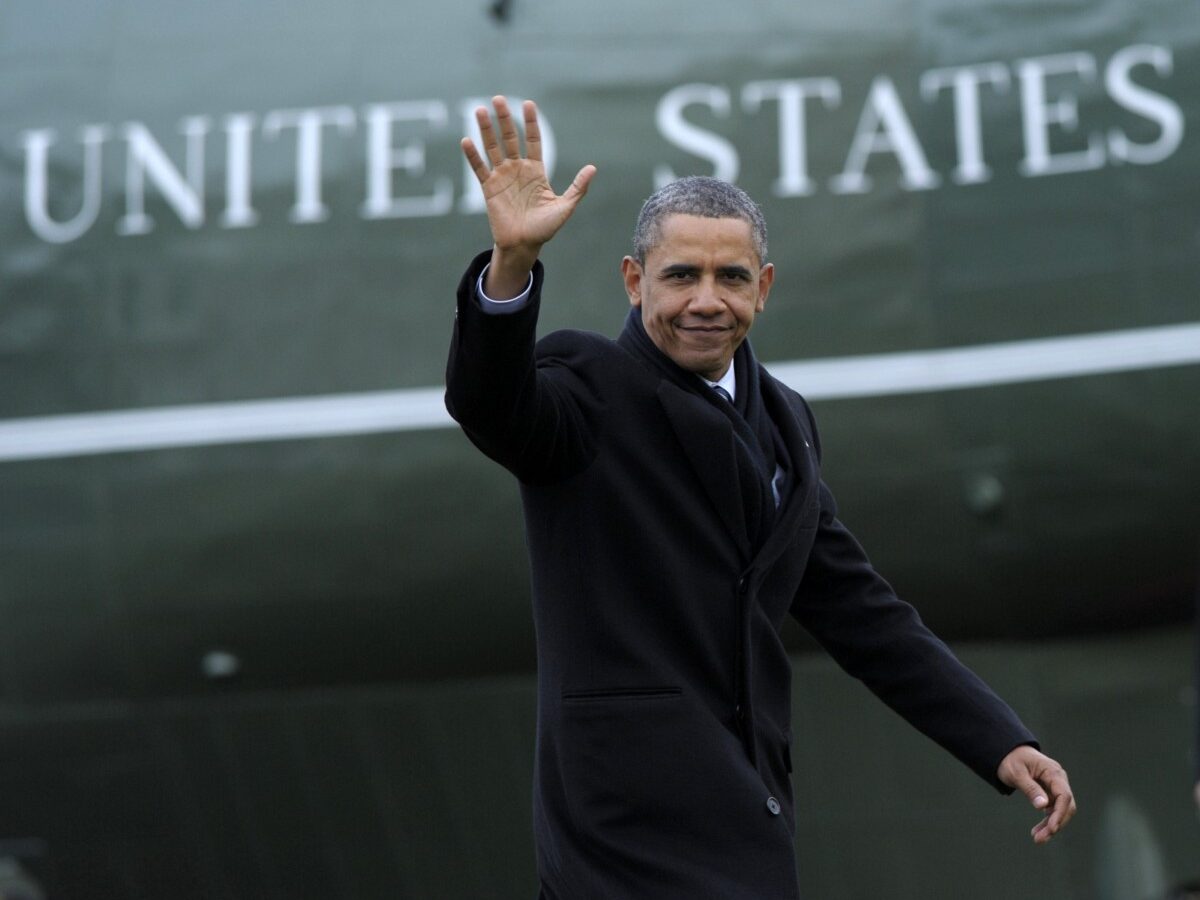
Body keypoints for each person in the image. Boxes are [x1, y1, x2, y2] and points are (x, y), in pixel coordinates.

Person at [445, 95, 1076, 899]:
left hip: (749, 800)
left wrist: (997, 739)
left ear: (764, 287)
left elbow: (861, 611)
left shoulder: (785, 419)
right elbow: (490, 405)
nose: (706, 300)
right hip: (619, 825)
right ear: (635, 280)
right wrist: (511, 270)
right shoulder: (588, 387)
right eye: (681, 276)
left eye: (730, 277)